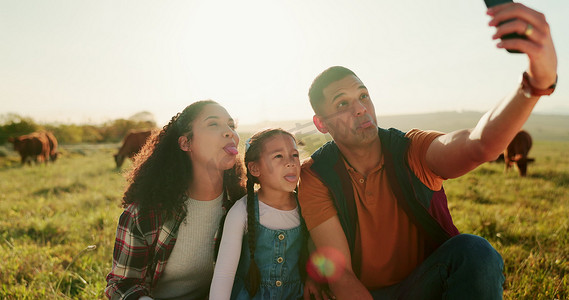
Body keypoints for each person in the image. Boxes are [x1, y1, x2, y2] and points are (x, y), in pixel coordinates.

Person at [298, 3, 557, 300]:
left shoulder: (411, 148)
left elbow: (478, 144)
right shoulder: (315, 174)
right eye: (342, 103)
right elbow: (340, 273)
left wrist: (536, 83)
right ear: (321, 123)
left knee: (475, 252)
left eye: (363, 95)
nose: (360, 109)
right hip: (362, 293)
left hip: (426, 286)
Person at [105, 100, 246, 300]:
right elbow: (121, 285)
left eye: (231, 126)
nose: (229, 132)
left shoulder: (241, 205)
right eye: (213, 124)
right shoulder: (144, 214)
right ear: (185, 143)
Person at [210, 128, 320, 300]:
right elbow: (224, 275)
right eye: (278, 156)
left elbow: (317, 250)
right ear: (254, 168)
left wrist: (314, 280)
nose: (290, 163)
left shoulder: (307, 206)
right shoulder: (241, 211)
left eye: (295, 155)